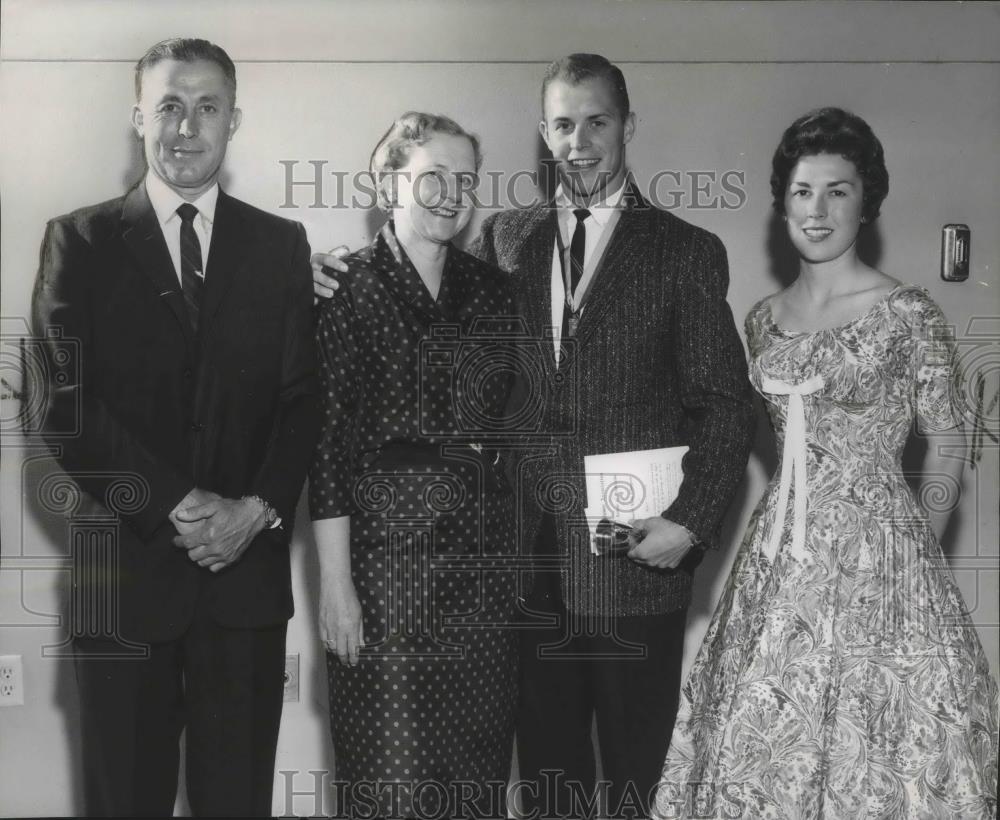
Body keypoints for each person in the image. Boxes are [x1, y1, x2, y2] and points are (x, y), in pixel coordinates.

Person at [313, 55, 755, 820]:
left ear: (627, 128)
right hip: (513, 570)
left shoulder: (684, 250)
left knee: (629, 780)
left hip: (629, 558)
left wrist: (689, 522)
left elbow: (726, 404)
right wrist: (316, 270)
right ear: (542, 135)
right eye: (561, 124)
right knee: (546, 780)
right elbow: (423, 311)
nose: (578, 140)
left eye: (596, 122)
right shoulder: (504, 240)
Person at [653, 108, 999, 820]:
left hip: (885, 556)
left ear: (866, 201)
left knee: (881, 746)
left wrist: (916, 552)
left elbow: (948, 440)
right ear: (784, 201)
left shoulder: (909, 313)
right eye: (804, 191)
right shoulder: (761, 318)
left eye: (838, 191)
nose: (818, 210)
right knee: (762, 731)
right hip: (779, 553)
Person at [31, 38, 319, 817]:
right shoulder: (79, 242)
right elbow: (64, 403)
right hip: (121, 585)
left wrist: (254, 509)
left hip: (244, 590)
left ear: (234, 120)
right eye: (168, 106)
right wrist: (180, 505)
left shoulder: (280, 246)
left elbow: (303, 404)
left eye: (206, 107)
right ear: (138, 118)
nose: (186, 127)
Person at [309, 112, 519, 819]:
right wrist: (336, 588)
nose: (451, 194)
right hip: (385, 574)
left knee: (476, 776)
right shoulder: (346, 290)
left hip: (482, 573)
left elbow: (513, 428)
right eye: (433, 176)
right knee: (391, 779)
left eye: (465, 180)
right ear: (387, 182)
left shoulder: (493, 292)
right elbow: (329, 449)